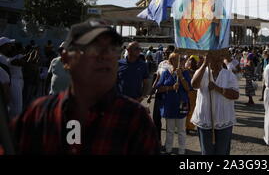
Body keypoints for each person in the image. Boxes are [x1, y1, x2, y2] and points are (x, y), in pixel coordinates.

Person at [10, 20, 160, 154]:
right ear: (66, 58)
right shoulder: (39, 114)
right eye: (93, 48)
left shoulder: (135, 119)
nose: (105, 56)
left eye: (112, 49)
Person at [190, 53, 239, 155]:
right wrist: (204, 64)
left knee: (222, 152)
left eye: (216, 59)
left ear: (221, 58)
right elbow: (194, 85)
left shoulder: (229, 75)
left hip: (224, 120)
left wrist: (217, 88)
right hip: (205, 120)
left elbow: (235, 95)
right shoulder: (202, 72)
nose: (213, 62)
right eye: (210, 59)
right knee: (207, 152)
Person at [155, 52, 192, 155]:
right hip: (169, 104)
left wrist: (181, 77)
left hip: (182, 103)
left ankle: (181, 150)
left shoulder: (185, 73)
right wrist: (170, 88)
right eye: (178, 60)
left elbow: (188, 88)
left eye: (182, 60)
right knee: (170, 129)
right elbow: (158, 87)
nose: (182, 62)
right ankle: (168, 149)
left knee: (181, 130)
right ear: (171, 61)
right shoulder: (166, 73)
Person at [185, 55, 199, 134]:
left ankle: (189, 126)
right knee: (186, 109)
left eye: (193, 60)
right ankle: (185, 125)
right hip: (187, 92)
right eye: (190, 60)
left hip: (195, 92)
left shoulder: (198, 71)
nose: (192, 62)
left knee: (192, 109)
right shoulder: (186, 71)